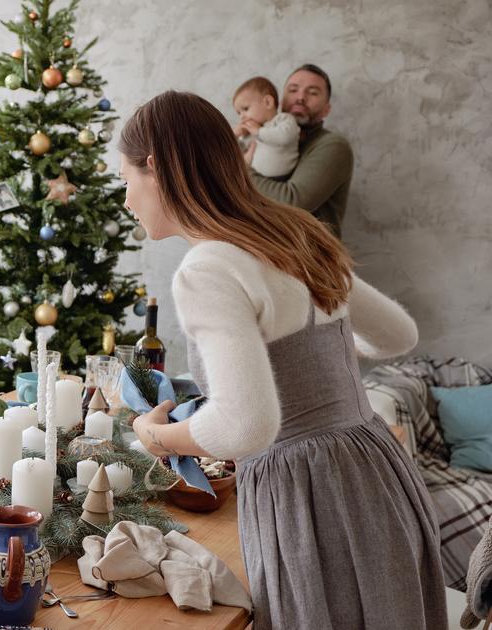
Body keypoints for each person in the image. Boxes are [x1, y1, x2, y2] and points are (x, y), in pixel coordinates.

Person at [119, 91, 444, 629]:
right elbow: (397, 334)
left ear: (155, 166)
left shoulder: (207, 269)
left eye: (126, 178)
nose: (126, 198)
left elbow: (246, 425)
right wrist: (320, 375)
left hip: (310, 497)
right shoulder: (295, 232)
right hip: (378, 471)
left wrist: (156, 436)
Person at [247, 64, 353, 237]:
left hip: (310, 260)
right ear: (279, 101)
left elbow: (293, 201)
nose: (300, 98)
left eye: (312, 92)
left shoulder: (333, 146)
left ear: (327, 109)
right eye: (293, 90)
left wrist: (238, 169)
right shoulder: (265, 138)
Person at [231, 76, 299, 179]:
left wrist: (258, 131)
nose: (242, 116)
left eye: (245, 109)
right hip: (257, 178)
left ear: (268, 102)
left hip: (282, 178)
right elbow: (240, 151)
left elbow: (285, 137)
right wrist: (235, 136)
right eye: (239, 113)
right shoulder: (255, 130)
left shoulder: (284, 119)